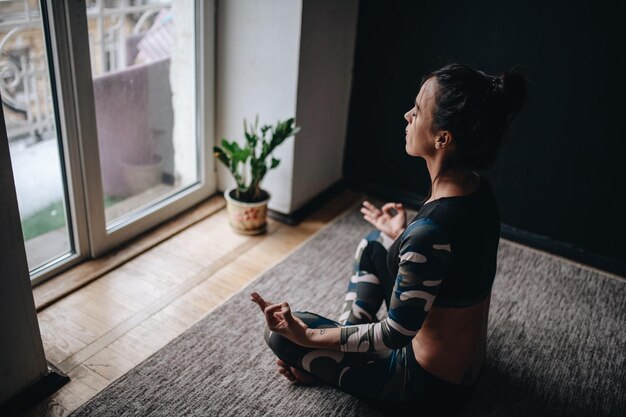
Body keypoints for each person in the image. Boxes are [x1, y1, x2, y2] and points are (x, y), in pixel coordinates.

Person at [251, 63, 527, 416]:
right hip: (464, 371)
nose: (407, 115)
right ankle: (342, 340)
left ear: (443, 138)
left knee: (279, 335)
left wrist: (307, 340)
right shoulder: (478, 191)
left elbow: (395, 334)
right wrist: (401, 235)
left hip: (425, 389)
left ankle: (327, 360)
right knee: (376, 242)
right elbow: (453, 261)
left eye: (418, 111)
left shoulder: (430, 231)